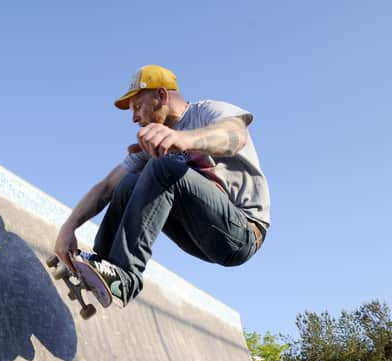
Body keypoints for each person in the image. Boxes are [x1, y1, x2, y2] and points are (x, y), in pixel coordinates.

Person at [54, 65, 270, 308]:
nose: (134, 118)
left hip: (242, 232)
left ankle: (125, 279)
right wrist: (68, 227)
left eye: (137, 107)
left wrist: (183, 139)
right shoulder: (155, 142)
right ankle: (103, 266)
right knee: (129, 182)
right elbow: (106, 187)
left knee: (162, 165)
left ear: (161, 96)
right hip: (198, 237)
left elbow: (234, 136)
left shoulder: (207, 111)